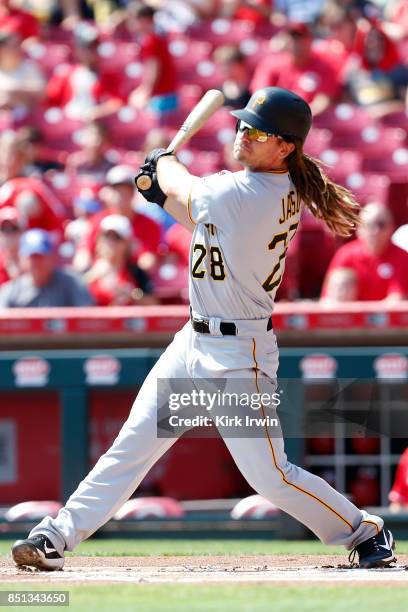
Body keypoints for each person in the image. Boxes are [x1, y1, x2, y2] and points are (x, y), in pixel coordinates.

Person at [12, 87, 396, 571]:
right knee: (131, 446)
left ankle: (365, 531)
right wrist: (159, 190)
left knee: (270, 477)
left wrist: (162, 162)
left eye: (257, 132)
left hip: (239, 355)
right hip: (193, 342)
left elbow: (190, 188)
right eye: (242, 125)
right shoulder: (255, 191)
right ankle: (56, 537)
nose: (243, 135)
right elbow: (202, 218)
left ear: (285, 148)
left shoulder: (252, 192)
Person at [73, 164, 162, 273]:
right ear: (108, 193)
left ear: (133, 193)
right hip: (99, 275)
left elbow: (148, 262)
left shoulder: (149, 225)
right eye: (116, 190)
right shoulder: (97, 221)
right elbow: (82, 257)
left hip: (130, 279)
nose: (120, 196)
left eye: (125, 191)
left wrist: (121, 260)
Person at [250, 22, 343, 115]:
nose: (296, 43)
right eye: (292, 38)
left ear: (310, 40)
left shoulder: (324, 66)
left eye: (300, 38)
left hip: (309, 120)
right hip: (275, 117)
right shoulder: (271, 63)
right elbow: (261, 94)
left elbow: (323, 100)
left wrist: (300, 118)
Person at [321, 202, 408, 301]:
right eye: (369, 225)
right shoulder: (345, 255)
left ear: (392, 228)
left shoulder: (402, 257)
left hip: (384, 316)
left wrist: (366, 315)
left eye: (381, 225)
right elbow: (328, 299)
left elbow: (397, 301)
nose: (375, 231)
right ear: (359, 229)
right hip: (351, 315)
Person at [0, 228, 94, 307]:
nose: (36, 262)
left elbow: (87, 317)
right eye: (32, 257)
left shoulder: (71, 283)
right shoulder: (11, 291)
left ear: (51, 257)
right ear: (22, 258)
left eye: (40, 256)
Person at [84, 213, 156, 306]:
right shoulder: (87, 268)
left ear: (127, 243)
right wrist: (93, 276)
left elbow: (154, 304)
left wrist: (133, 294)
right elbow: (71, 295)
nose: (110, 242)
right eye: (106, 236)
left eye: (116, 237)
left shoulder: (135, 272)